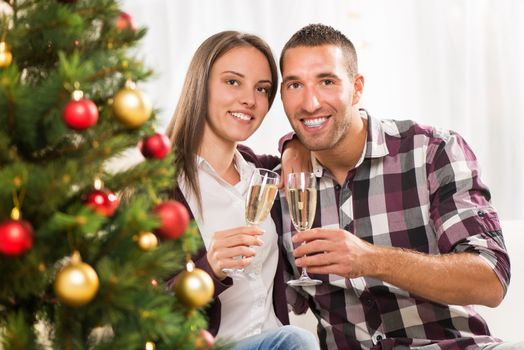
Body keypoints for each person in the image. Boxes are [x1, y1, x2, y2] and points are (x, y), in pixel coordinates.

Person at [278, 23, 521, 349]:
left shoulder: (432, 152)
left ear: (357, 88)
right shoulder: (280, 186)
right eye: (295, 85)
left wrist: (371, 260)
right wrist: (291, 144)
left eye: (327, 81)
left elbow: (491, 278)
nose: (309, 103)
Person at [164, 31, 318, 349]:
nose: (249, 99)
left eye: (262, 89)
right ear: (200, 84)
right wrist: (208, 269)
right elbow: (139, 309)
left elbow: (317, 142)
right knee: (297, 340)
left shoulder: (265, 175)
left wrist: (296, 145)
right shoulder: (159, 188)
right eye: (233, 82)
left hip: (273, 340)